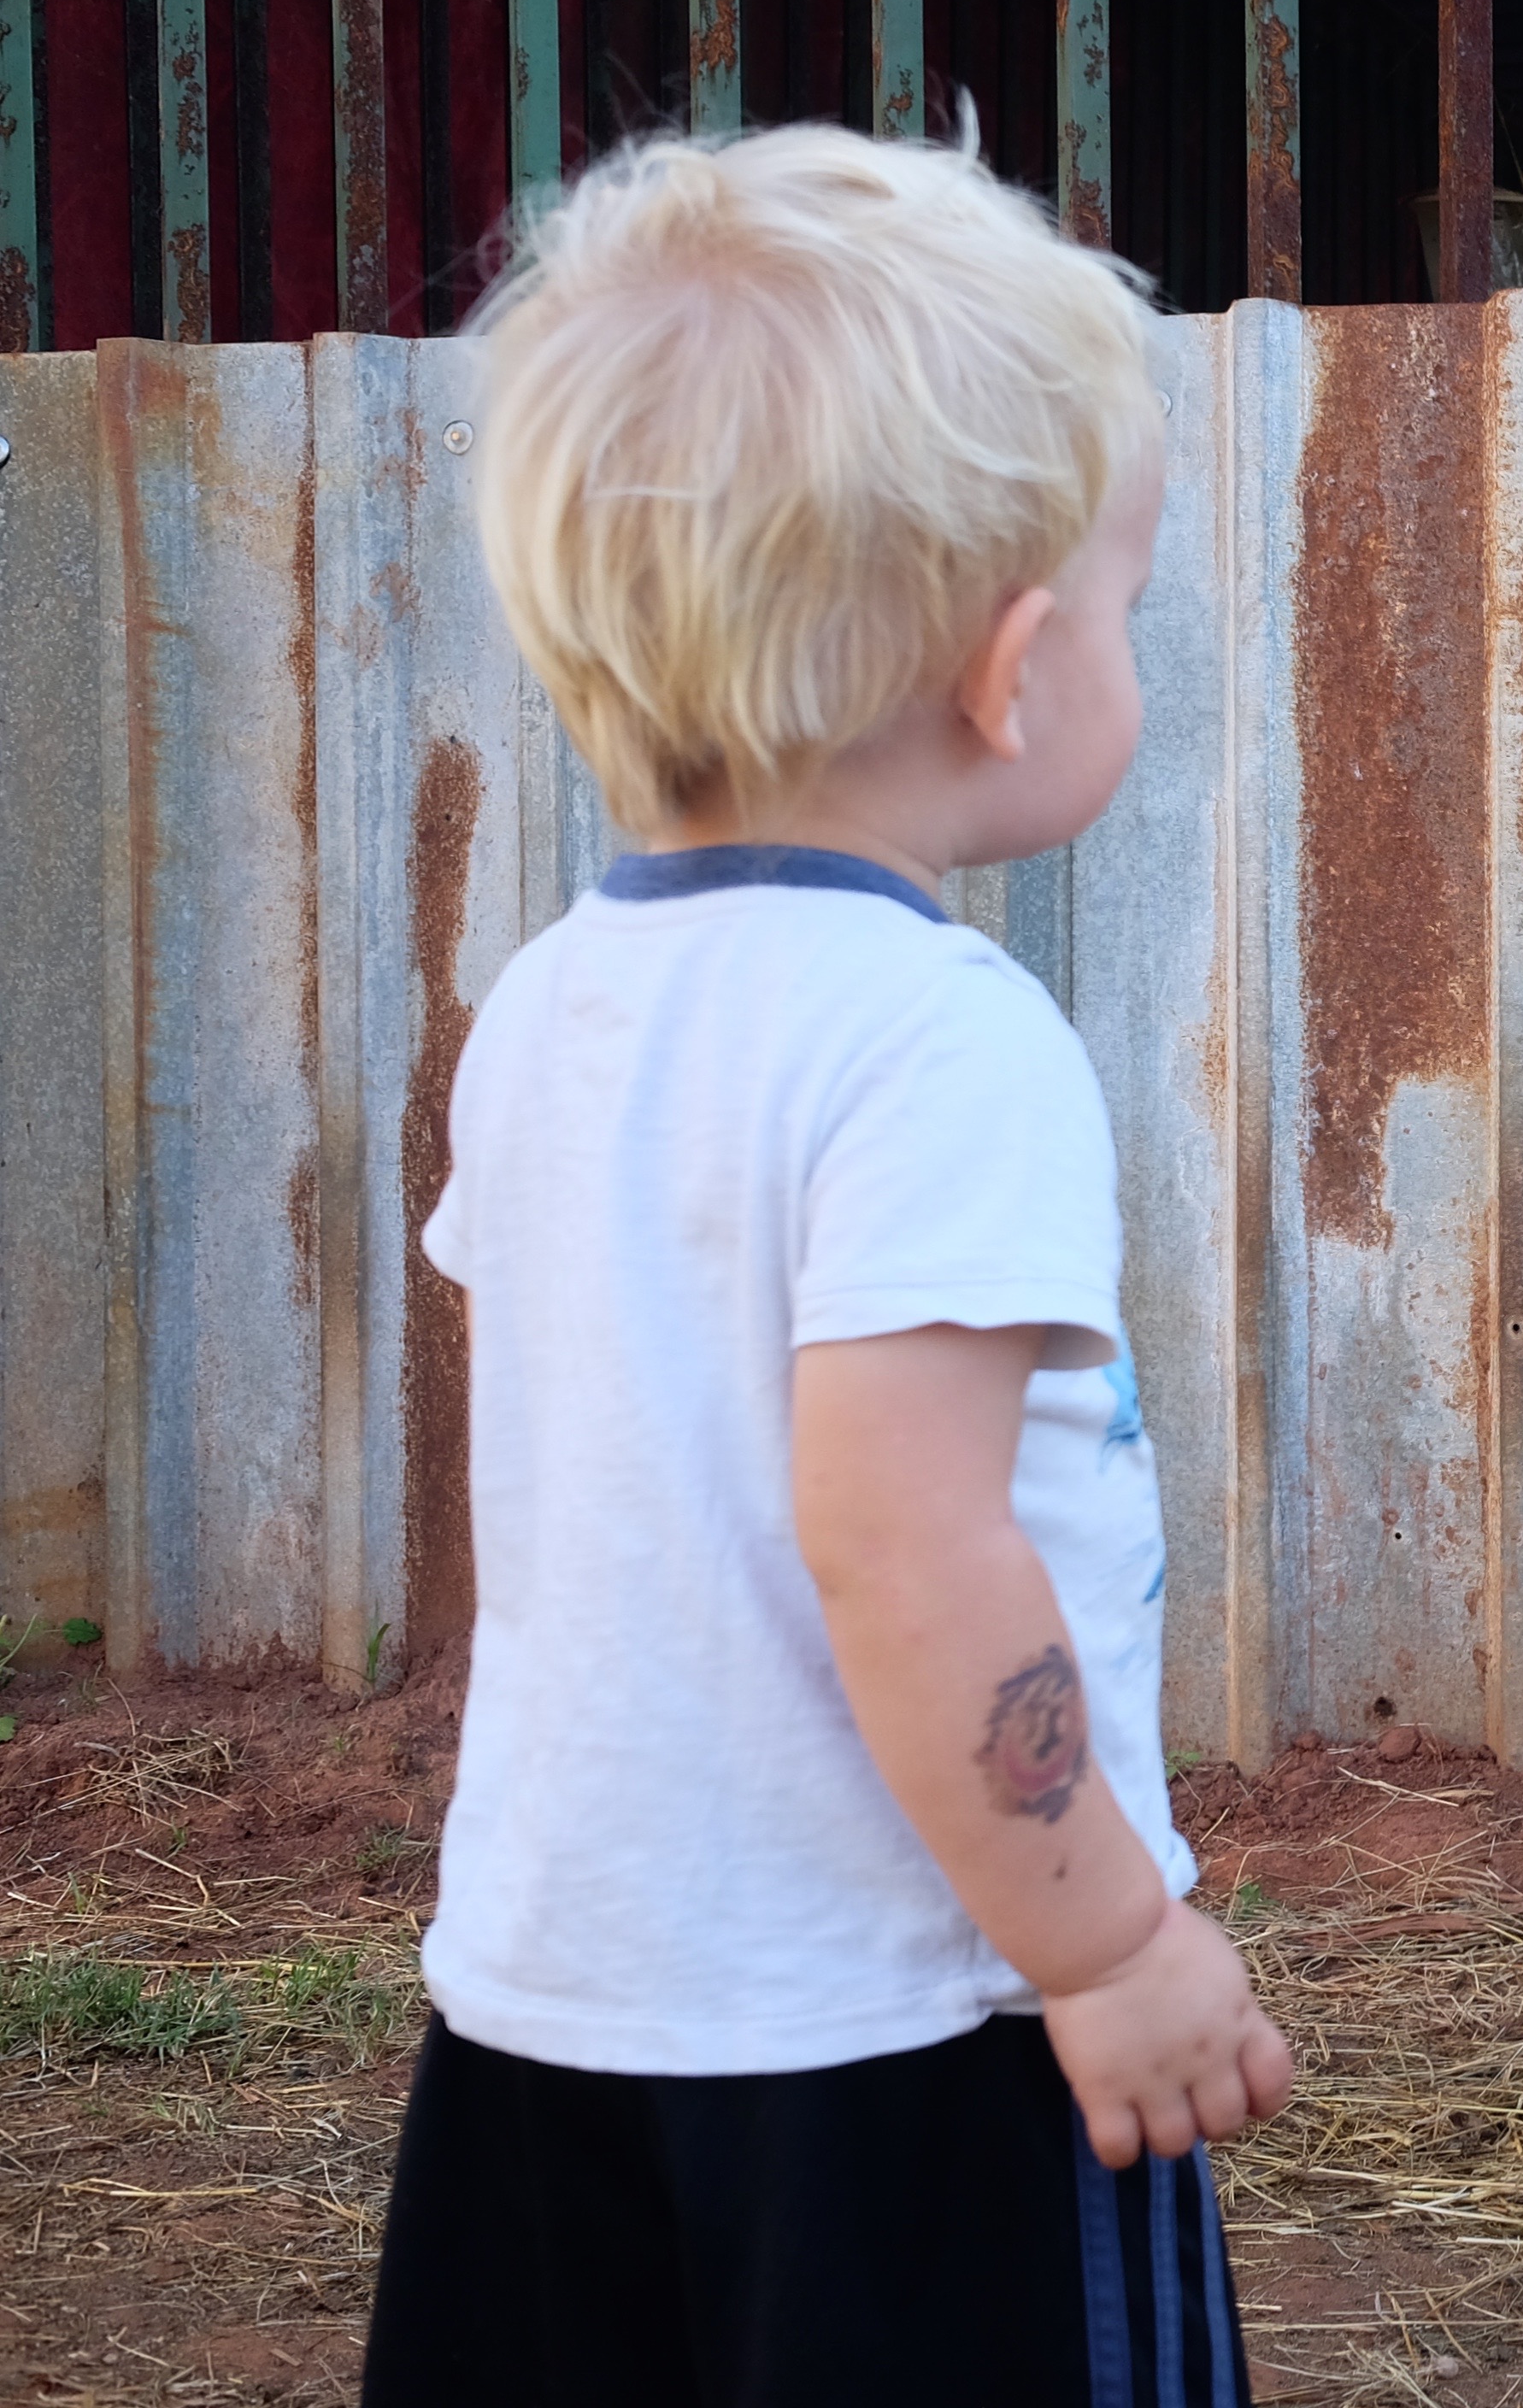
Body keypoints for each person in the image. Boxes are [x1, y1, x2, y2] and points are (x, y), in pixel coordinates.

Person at [362, 123, 1292, 2405]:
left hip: (551, 2005)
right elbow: (902, 1541)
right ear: (1013, 667)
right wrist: (1106, 1948)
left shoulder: (550, 1009)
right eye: (1127, 609)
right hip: (903, 2029)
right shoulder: (938, 1034)